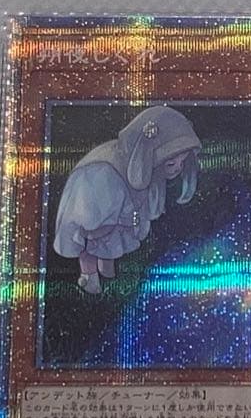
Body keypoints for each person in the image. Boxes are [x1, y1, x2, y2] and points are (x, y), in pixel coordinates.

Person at [52, 105, 201, 294]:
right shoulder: (104, 172)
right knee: (93, 241)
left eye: (182, 163)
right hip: (97, 208)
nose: (177, 169)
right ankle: (89, 276)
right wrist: (97, 226)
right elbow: (91, 218)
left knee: (110, 243)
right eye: (171, 163)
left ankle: (108, 277)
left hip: (118, 211)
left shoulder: (146, 172)